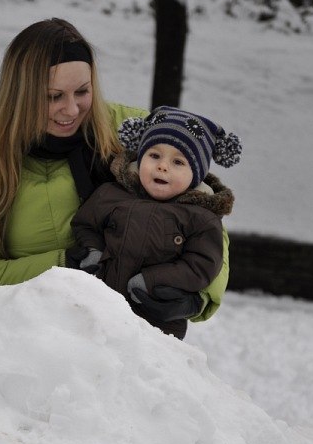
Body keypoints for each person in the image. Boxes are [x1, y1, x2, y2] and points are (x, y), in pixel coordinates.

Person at [0, 18, 230, 327]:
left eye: (81, 92)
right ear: (20, 94)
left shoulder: (135, 133)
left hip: (131, 330)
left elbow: (205, 218)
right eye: (52, 96)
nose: (71, 110)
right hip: (30, 332)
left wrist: (196, 299)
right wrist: (63, 265)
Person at [71, 107, 242, 339]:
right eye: (154, 156)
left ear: (196, 174)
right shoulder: (111, 193)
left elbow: (202, 264)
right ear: (140, 157)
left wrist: (153, 280)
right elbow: (85, 224)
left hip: (155, 325)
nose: (162, 166)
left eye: (178, 162)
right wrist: (92, 250)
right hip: (98, 309)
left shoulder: (201, 218)